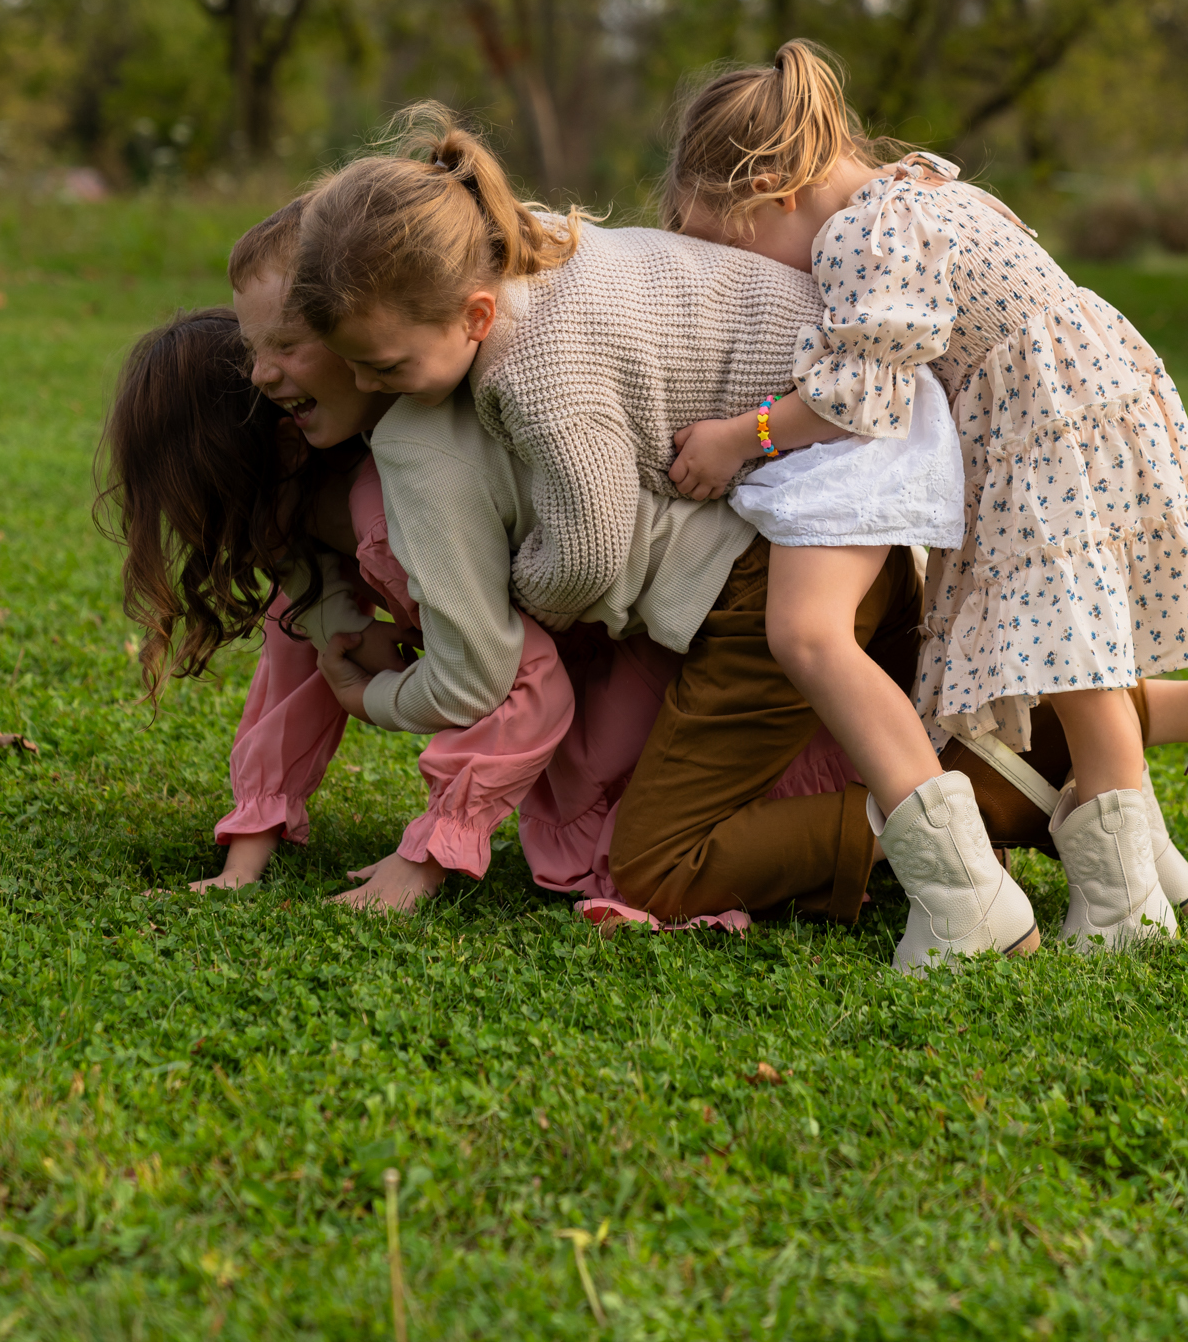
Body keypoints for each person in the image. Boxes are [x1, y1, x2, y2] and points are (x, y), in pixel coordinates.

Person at [661, 39, 1188, 960]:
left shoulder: (860, 231)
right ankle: (1144, 879)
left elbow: (860, 396)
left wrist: (741, 437)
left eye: (737, 242)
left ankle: (1127, 904)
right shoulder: (919, 187)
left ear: (771, 187)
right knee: (1069, 649)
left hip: (1040, 425)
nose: (773, 273)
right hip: (1081, 401)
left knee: (1078, 661)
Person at [288, 108, 956, 944]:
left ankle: (952, 825)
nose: (364, 383)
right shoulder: (509, 241)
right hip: (839, 516)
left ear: (476, 316)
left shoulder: (538, 373)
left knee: (656, 867)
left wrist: (521, 595)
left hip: (804, 531)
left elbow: (590, 547)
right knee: (926, 707)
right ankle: (986, 789)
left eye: (384, 366)